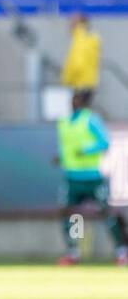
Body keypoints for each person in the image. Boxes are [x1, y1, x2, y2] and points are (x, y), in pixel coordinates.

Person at [55, 91, 127, 266]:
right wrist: (61, 158)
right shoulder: (64, 122)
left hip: (92, 176)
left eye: (77, 98)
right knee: (72, 215)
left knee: (107, 214)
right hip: (72, 177)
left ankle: (121, 251)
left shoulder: (90, 119)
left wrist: (86, 151)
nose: (74, 101)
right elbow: (67, 147)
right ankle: (74, 252)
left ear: (84, 101)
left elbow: (104, 142)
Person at [61, 13, 100, 95]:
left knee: (79, 107)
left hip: (79, 84)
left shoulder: (80, 38)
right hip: (89, 83)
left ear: (77, 23)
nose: (69, 25)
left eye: (72, 22)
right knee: (84, 107)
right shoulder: (91, 37)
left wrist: (67, 79)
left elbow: (77, 63)